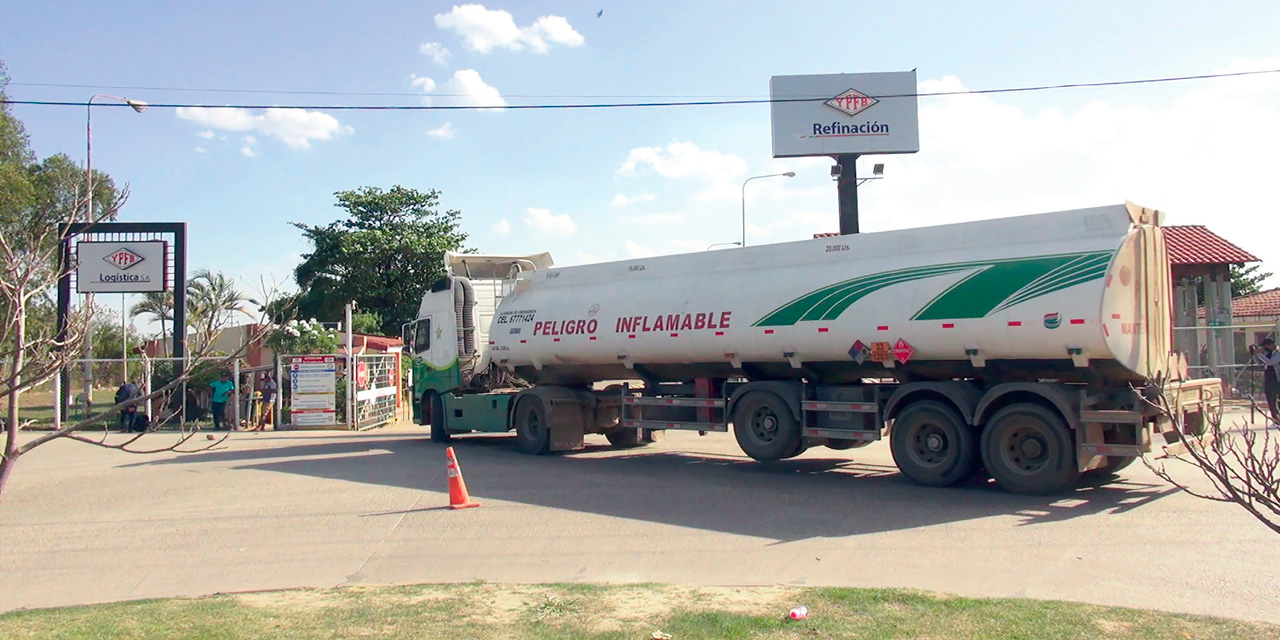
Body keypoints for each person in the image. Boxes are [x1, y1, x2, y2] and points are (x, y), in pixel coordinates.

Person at [1249, 337, 1280, 425]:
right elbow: (1261, 363)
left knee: (1278, 398)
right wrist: (1255, 354)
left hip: (1277, 379)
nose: (1265, 348)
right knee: (1270, 398)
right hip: (1269, 378)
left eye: (1266, 346)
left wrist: (1259, 354)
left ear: (1271, 344)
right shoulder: (1267, 353)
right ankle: (1275, 417)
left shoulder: (1278, 353)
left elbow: (1270, 362)